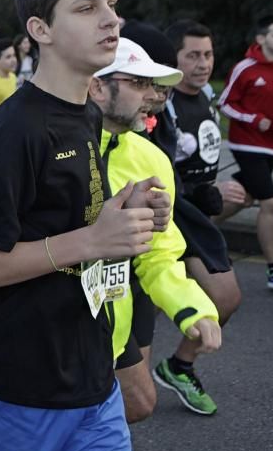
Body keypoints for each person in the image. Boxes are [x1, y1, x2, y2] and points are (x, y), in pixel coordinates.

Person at [0, 0, 169, 451]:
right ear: (40, 29)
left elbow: (64, 216)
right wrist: (91, 238)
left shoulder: (87, 113)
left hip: (93, 373)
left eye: (111, 4)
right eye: (86, 7)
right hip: (20, 387)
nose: (111, 18)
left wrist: (123, 211)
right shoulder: (15, 128)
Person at [88, 37, 221, 423]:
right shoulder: (56, 144)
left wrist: (191, 309)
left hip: (112, 310)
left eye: (154, 85)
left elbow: (161, 252)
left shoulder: (151, 158)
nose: (153, 97)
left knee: (137, 405)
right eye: (139, 84)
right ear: (98, 85)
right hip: (52, 319)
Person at [131, 20, 243, 415]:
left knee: (225, 298)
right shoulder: (156, 107)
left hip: (192, 217)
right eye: (192, 55)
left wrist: (215, 193)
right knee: (134, 399)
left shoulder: (207, 96)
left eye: (208, 54)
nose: (202, 63)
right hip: (168, 214)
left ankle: (179, 365)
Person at [217, 15, 273, 288]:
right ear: (261, 39)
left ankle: (196, 232)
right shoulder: (245, 68)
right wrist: (254, 119)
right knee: (269, 203)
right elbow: (225, 104)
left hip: (271, 145)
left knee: (243, 199)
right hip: (245, 143)